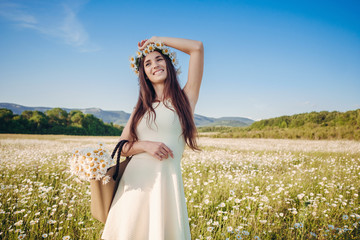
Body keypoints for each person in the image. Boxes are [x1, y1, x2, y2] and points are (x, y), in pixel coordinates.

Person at [101, 36, 204, 240]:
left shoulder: (185, 99)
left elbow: (197, 48)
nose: (155, 65)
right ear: (144, 74)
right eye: (148, 63)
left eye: (159, 59)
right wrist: (145, 145)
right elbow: (122, 147)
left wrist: (157, 40)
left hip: (165, 185)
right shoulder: (139, 108)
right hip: (134, 186)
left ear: (168, 64)